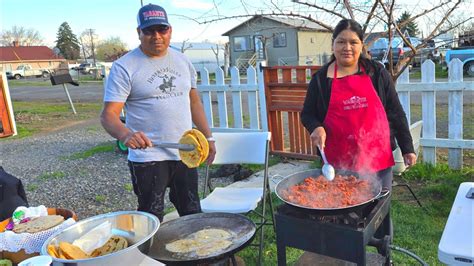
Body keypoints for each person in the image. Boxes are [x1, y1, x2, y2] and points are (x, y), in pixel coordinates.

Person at [100, 3, 216, 221]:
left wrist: (208, 137)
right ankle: (149, 256)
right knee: (150, 216)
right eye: (149, 31)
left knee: (192, 212)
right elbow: (108, 116)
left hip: (185, 151)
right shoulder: (125, 66)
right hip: (148, 156)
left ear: (170, 30)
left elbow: (194, 102)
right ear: (139, 33)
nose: (156, 36)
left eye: (162, 30)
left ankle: (195, 254)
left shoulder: (182, 60)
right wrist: (126, 135)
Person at [301, 19, 417, 190]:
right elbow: (307, 114)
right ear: (333, 44)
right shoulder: (320, 79)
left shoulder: (377, 73)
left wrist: (407, 148)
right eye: (341, 42)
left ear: (361, 45)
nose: (347, 47)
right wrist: (316, 127)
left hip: (378, 158)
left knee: (379, 211)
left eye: (353, 42)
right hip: (338, 162)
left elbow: (395, 111)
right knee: (342, 210)